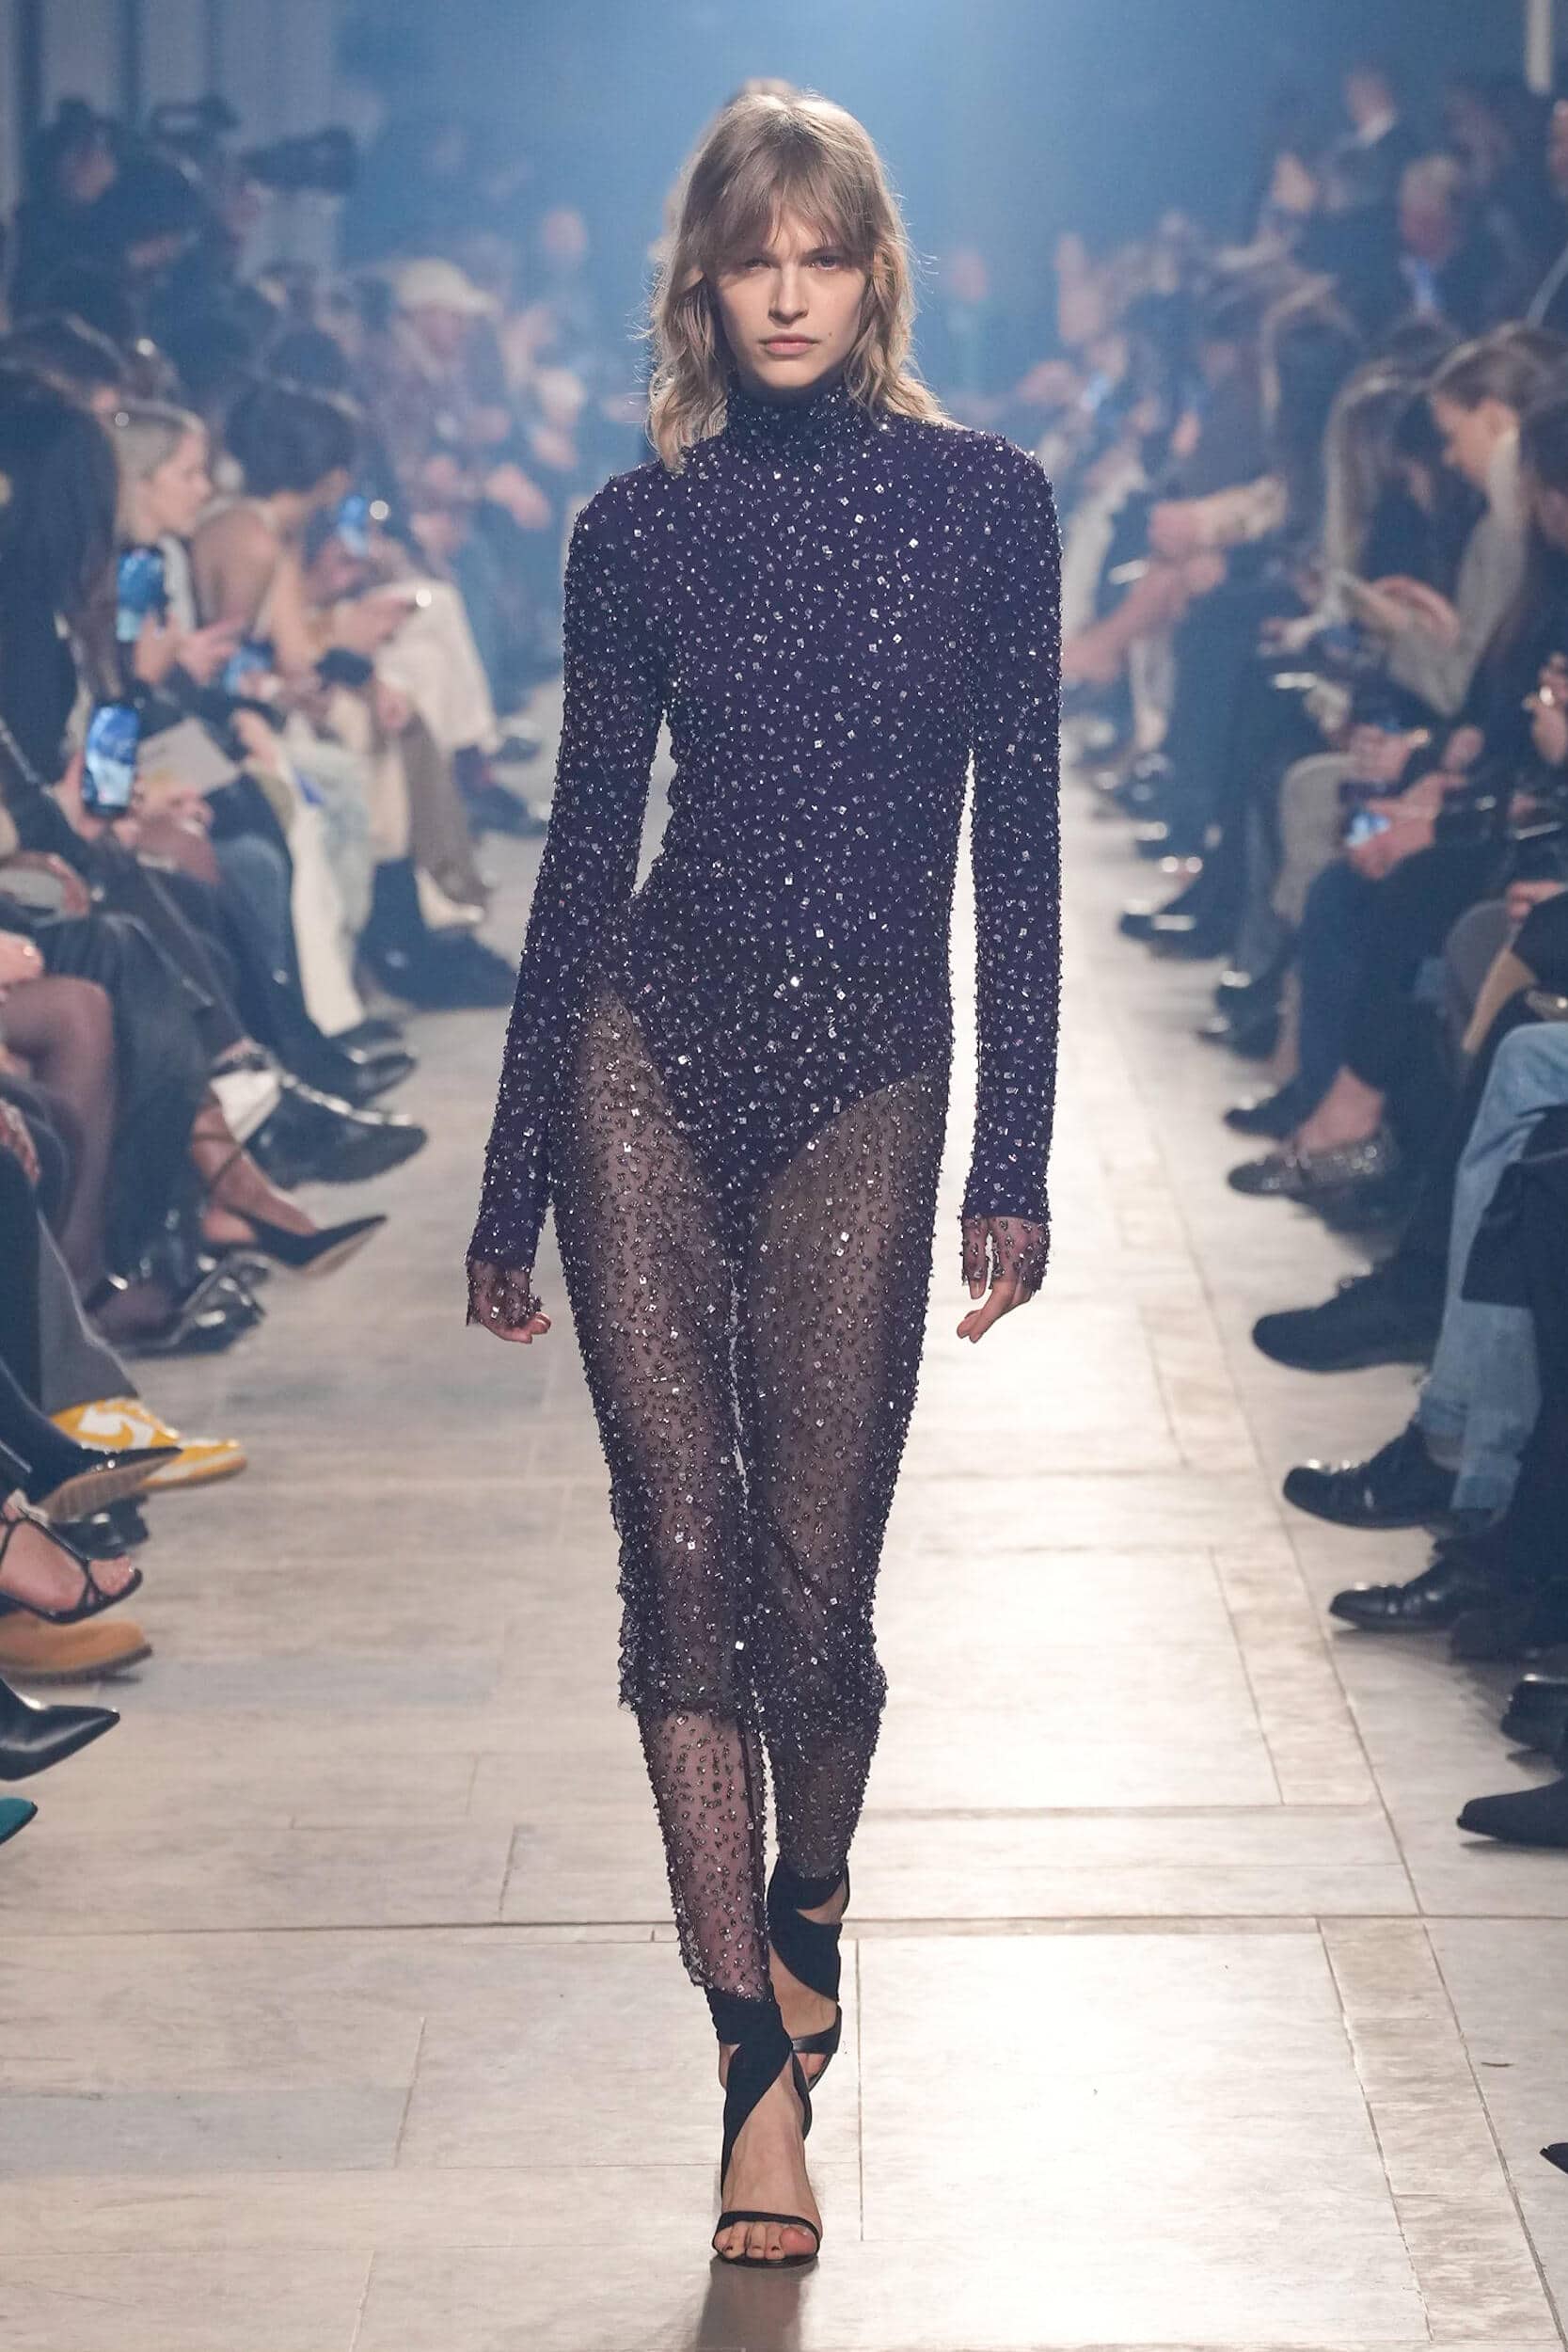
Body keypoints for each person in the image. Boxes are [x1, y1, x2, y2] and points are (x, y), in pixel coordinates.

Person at [467, 89, 1060, 2269]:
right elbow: (578, 852)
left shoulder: (990, 505)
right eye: (752, 258)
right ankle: (748, 2068)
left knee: (817, 1600)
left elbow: (1023, 841)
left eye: (820, 254)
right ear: (702, 287)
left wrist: (1015, 1147)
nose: (787, 293)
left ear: (873, 272)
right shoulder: (637, 531)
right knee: (684, 1564)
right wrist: (512, 1171)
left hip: (868, 1074)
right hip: (648, 1052)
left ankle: (811, 1895)